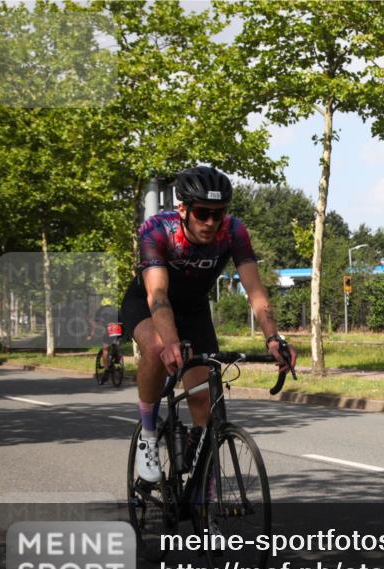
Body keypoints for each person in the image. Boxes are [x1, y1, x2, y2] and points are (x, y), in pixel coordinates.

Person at [119, 165, 296, 483]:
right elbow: (157, 295)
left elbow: (255, 289)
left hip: (194, 309)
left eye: (219, 213)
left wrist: (273, 338)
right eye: (203, 213)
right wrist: (171, 342)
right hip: (147, 304)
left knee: (204, 402)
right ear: (183, 209)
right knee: (157, 347)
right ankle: (148, 435)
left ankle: (204, 493)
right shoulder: (157, 230)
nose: (211, 222)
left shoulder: (234, 231)